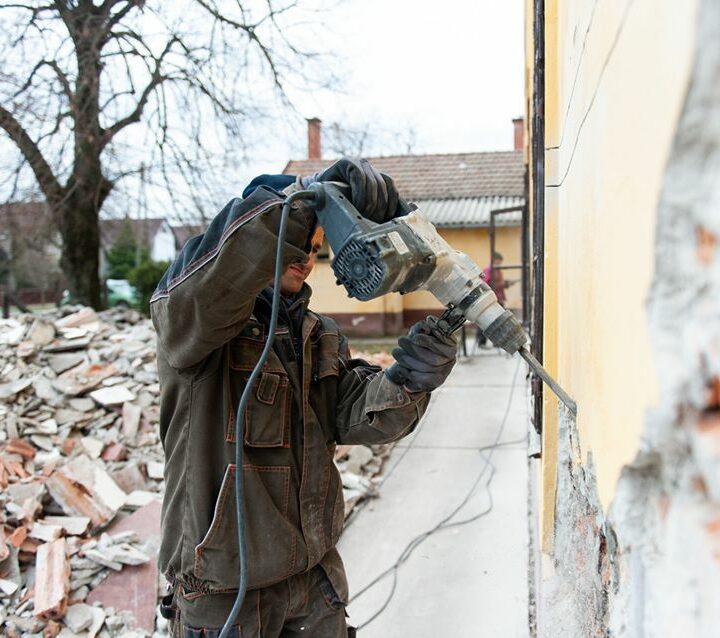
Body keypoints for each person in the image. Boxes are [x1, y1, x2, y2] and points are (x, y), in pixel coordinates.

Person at [151, 158, 459, 637]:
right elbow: (214, 287)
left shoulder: (318, 333)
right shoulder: (196, 327)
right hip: (227, 594)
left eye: (315, 248)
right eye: (298, 243)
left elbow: (356, 416)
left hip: (314, 579)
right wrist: (305, 200)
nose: (305, 257)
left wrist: (411, 378)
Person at [475, 252, 512, 349]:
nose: (499, 264)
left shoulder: (498, 270)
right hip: (489, 299)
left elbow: (499, 283)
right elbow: (487, 284)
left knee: (499, 321)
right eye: (498, 262)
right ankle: (481, 342)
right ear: (493, 260)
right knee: (485, 321)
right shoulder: (488, 270)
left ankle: (497, 342)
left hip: (498, 298)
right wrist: (503, 284)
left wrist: (506, 284)